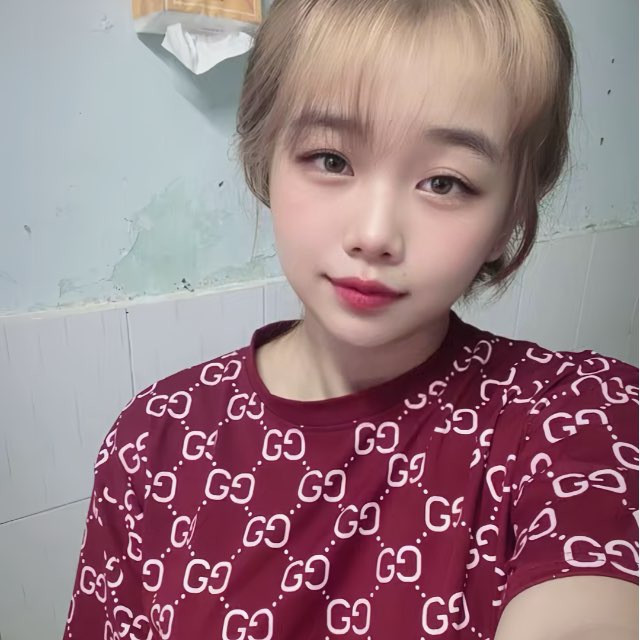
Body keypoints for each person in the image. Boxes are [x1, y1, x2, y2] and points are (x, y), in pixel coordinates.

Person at [63, 0, 639, 638]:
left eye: (445, 182)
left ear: (510, 217)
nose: (374, 234)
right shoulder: (153, 441)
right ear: (264, 159)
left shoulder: (572, 416)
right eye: (332, 160)